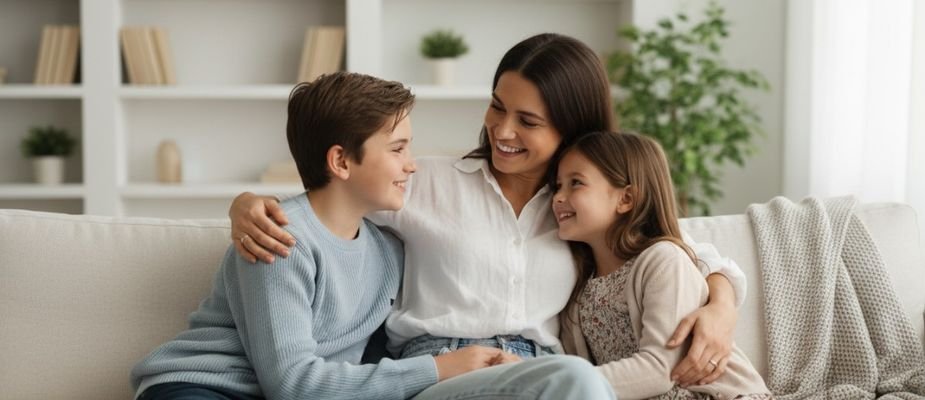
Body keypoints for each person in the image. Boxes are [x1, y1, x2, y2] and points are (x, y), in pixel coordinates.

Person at [229, 33, 747, 387]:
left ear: (572, 128)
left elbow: (677, 248)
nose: (502, 130)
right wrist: (247, 204)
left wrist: (721, 306)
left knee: (572, 381)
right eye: (498, 106)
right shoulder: (427, 181)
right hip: (442, 368)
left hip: (543, 373)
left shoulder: (581, 206)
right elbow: (328, 196)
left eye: (528, 121)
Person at [130, 72, 574, 400]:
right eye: (398, 149)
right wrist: (439, 368)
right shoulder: (280, 240)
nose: (412, 164)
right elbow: (293, 385)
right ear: (341, 162)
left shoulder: (387, 251)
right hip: (204, 387)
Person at [553, 131, 772, 399]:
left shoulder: (662, 260)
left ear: (626, 199)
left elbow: (659, 369)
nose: (558, 197)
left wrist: (557, 383)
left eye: (575, 183)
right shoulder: (578, 289)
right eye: (558, 186)